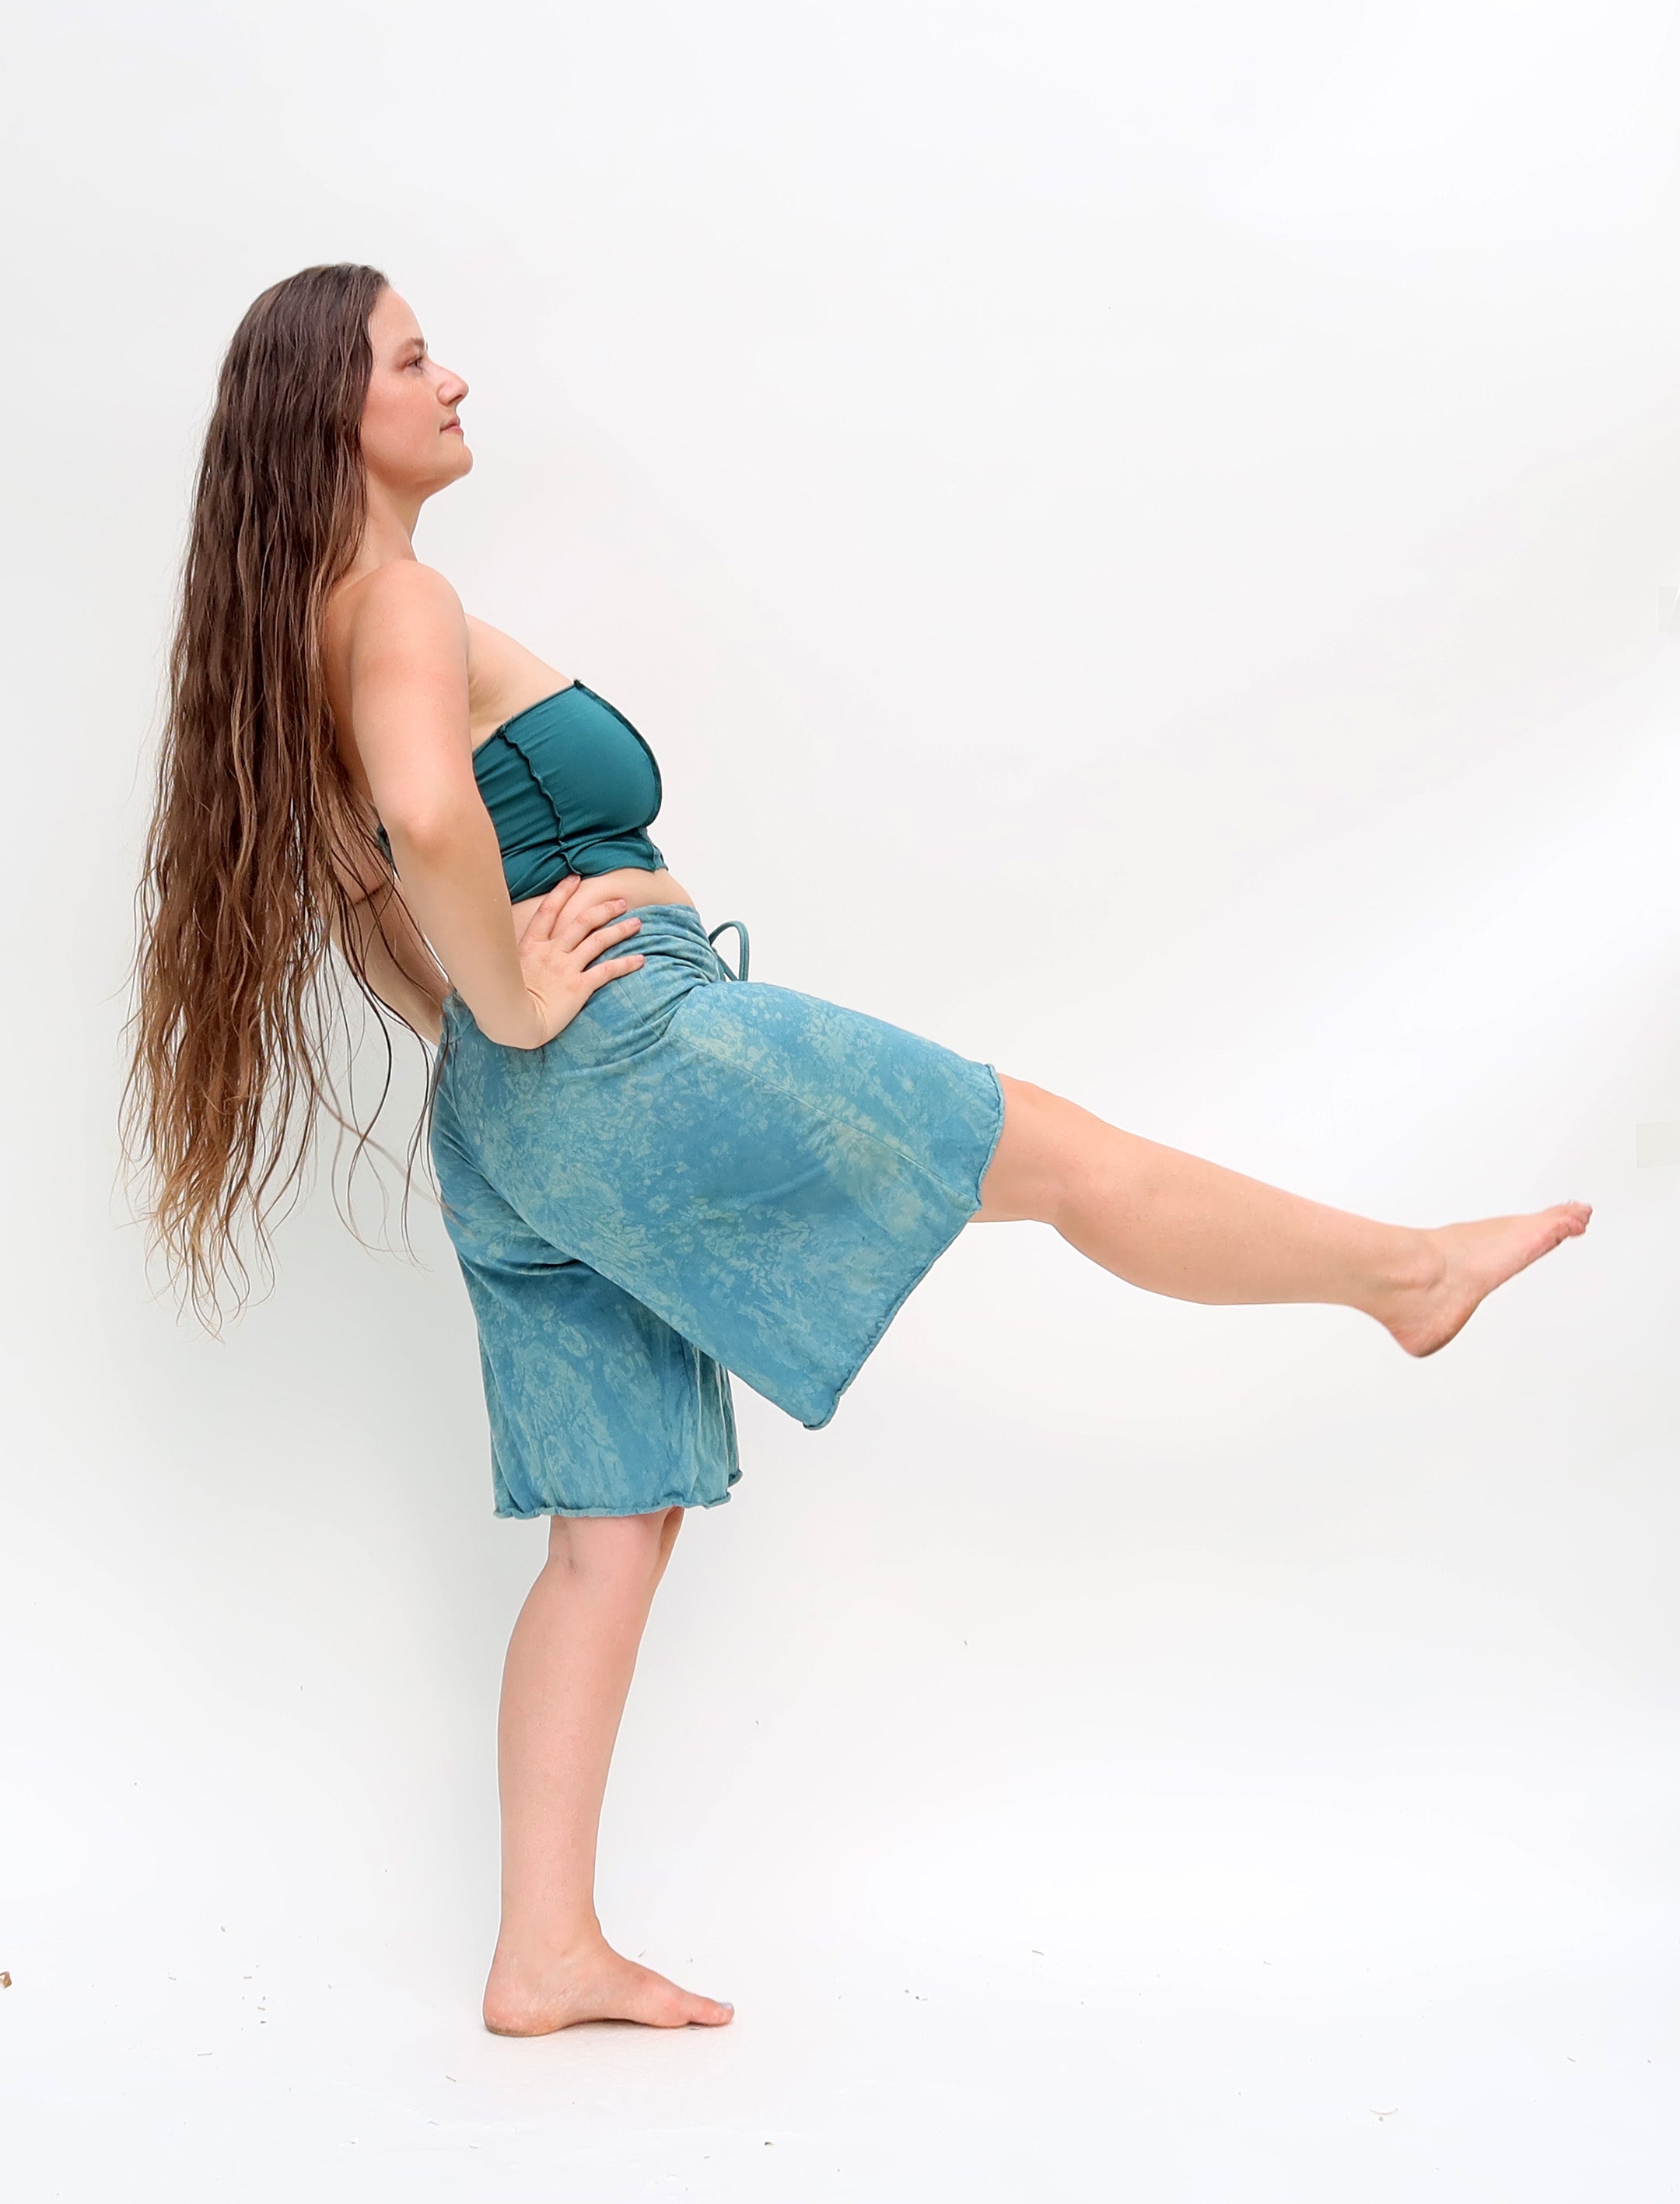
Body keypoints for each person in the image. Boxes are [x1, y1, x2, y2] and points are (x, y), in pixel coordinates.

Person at [124, 264, 1591, 2040]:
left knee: (607, 1534)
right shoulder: (404, 601)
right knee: (1059, 1158)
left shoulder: (295, 638)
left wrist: (490, 1027)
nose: (454, 380)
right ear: (328, 413)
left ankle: (546, 1950)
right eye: (413, 358)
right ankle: (1406, 1276)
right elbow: (434, 817)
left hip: (503, 1131)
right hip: (623, 1053)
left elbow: (375, 900)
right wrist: (525, 998)